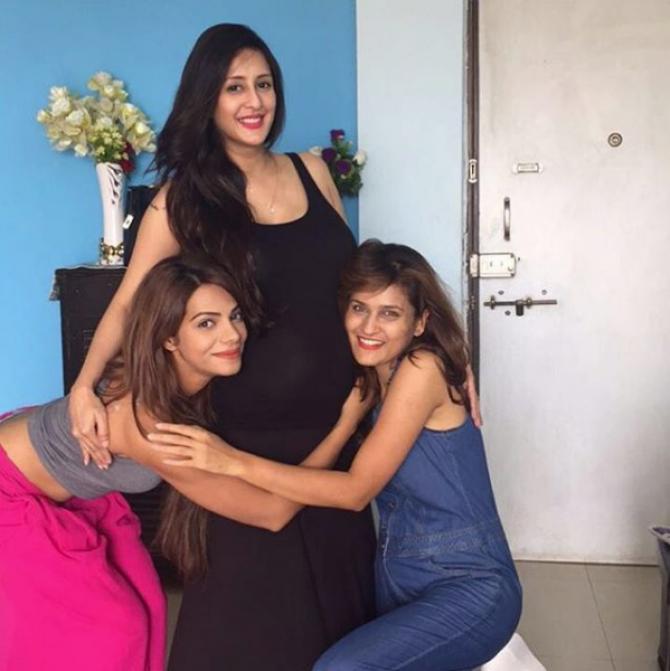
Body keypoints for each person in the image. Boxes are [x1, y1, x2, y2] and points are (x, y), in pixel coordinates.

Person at [66, 23, 379, 671]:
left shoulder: (313, 172)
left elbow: (356, 289)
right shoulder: (183, 199)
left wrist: (427, 358)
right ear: (206, 97)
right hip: (241, 439)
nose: (253, 101)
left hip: (336, 424)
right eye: (235, 87)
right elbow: (128, 301)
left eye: (264, 84)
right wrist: (84, 386)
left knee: (343, 619)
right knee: (251, 631)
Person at [150, 240, 522, 671]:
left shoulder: (422, 368)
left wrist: (229, 461)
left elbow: (355, 491)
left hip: (469, 582)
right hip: (399, 577)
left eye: (390, 313)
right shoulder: (370, 371)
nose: (369, 326)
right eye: (359, 308)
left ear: (421, 322)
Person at [0, 256, 367, 671]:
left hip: (58, 479)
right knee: (115, 628)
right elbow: (272, 513)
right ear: (170, 339)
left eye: (234, 316)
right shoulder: (151, 429)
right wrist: (344, 426)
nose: (232, 334)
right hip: (10, 492)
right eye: (206, 324)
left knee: (149, 602)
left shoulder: (166, 376)